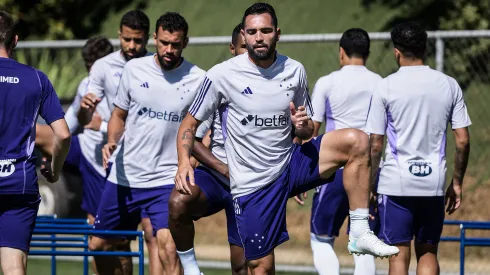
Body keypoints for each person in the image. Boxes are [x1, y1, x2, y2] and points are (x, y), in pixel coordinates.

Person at [174, 3, 399, 274]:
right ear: (243, 36)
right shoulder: (221, 75)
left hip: (289, 164)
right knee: (260, 267)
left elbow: (305, 131)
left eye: (265, 30)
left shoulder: (295, 70)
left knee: (358, 140)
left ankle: (360, 231)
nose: (259, 37)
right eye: (252, 31)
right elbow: (189, 124)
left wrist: (302, 127)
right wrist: (184, 162)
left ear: (277, 33)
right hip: (253, 182)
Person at [88, 12, 205, 275]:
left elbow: (201, 134)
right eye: (164, 42)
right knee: (98, 244)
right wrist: (111, 141)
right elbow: (119, 115)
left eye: (175, 44)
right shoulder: (134, 69)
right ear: (155, 38)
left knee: (168, 248)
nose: (169, 49)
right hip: (124, 176)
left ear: (185, 42)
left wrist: (188, 164)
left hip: (165, 179)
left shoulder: (198, 79)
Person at [366, 22, 471, 275]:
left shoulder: (386, 86)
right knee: (428, 253)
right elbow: (463, 141)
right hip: (432, 183)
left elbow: (376, 143)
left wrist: (371, 184)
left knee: (397, 256)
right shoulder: (449, 84)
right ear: (425, 48)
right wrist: (456, 183)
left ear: (396, 52)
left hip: (395, 183)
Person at [76, 10, 164, 275]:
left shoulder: (161, 64)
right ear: (119, 35)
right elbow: (84, 119)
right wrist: (85, 109)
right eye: (127, 39)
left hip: (157, 166)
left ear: (147, 38)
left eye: (138, 40)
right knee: (102, 241)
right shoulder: (104, 67)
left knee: (156, 235)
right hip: (118, 166)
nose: (132, 46)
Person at [168, 23, 248, 275]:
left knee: (243, 266)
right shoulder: (217, 81)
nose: (249, 53)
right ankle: (192, 270)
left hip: (250, 185)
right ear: (233, 49)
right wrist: (221, 168)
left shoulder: (274, 84)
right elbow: (192, 137)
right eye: (244, 47)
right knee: (179, 202)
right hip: (216, 177)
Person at [303, 28, 381, 275]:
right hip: (369, 169)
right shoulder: (381, 84)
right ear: (367, 53)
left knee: (321, 238)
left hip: (335, 171)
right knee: (363, 243)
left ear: (341, 53)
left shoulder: (328, 82)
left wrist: (305, 175)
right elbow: (379, 139)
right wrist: (374, 181)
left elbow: (311, 132)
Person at [0, 11, 71, 275]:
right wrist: (55, 168)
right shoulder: (36, 79)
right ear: (15, 40)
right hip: (19, 183)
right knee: (14, 267)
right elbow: (63, 134)